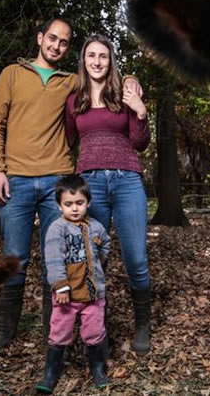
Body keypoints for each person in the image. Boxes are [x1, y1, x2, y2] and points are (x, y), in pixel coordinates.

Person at [0, 18, 142, 354]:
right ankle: (4, 332)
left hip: (58, 179)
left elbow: (105, 78)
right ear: (40, 38)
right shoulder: (13, 74)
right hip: (17, 179)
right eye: (52, 39)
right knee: (15, 257)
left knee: (59, 257)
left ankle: (54, 333)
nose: (57, 46)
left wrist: (131, 78)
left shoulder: (71, 82)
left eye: (64, 42)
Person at [65, 34, 152, 355]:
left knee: (136, 260)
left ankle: (142, 326)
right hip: (90, 186)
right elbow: (68, 140)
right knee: (95, 260)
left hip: (127, 180)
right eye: (91, 56)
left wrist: (141, 112)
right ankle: (95, 330)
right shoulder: (75, 100)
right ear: (84, 60)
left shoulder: (125, 93)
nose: (97, 61)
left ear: (110, 60)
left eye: (103, 56)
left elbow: (140, 142)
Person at [35, 174, 111, 393]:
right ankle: (50, 374)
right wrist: (60, 285)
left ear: (88, 202)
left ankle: (97, 369)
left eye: (80, 203)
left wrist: (100, 259)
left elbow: (105, 243)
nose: (75, 208)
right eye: (68, 204)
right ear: (59, 205)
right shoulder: (57, 229)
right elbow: (53, 258)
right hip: (66, 296)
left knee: (94, 331)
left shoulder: (95, 227)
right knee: (59, 331)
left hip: (93, 295)